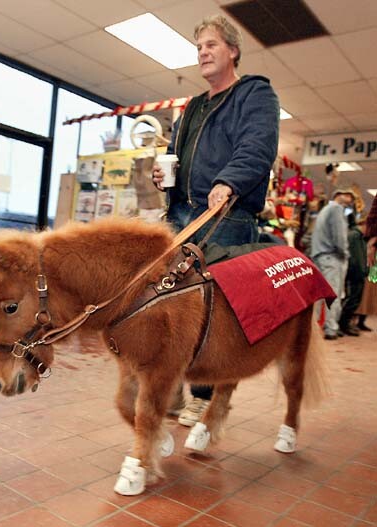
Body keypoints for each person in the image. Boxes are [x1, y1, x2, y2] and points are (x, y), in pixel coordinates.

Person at [151, 14, 279, 426]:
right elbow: (176, 154)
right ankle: (171, 384)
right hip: (182, 215)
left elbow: (257, 148)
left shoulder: (254, 94)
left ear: (233, 50)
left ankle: (204, 396)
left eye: (211, 44)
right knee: (169, 306)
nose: (203, 52)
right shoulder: (191, 107)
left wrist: (228, 182)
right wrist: (163, 178)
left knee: (211, 314)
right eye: (199, 47)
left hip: (228, 215)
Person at [310, 189, 357, 340]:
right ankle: (331, 328)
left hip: (319, 255)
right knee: (333, 295)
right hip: (332, 257)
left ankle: (314, 328)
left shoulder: (324, 210)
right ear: (338, 195)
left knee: (318, 297)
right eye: (348, 195)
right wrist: (345, 254)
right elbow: (340, 236)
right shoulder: (336, 209)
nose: (350, 199)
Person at [339, 209, 367, 336]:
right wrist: (361, 271)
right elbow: (355, 258)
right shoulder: (355, 236)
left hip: (357, 274)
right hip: (354, 274)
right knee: (351, 300)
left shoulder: (359, 237)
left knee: (354, 300)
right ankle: (343, 324)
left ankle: (344, 324)